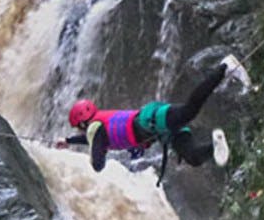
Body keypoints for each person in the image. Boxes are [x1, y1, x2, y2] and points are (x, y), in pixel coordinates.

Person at [56, 55, 245, 183]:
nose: (80, 132)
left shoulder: (95, 128)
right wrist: (69, 141)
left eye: (78, 128)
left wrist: (95, 158)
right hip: (161, 132)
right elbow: (94, 139)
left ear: (83, 122)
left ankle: (225, 66)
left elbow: (97, 163)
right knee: (193, 157)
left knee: (190, 110)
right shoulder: (98, 129)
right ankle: (217, 145)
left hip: (152, 120)